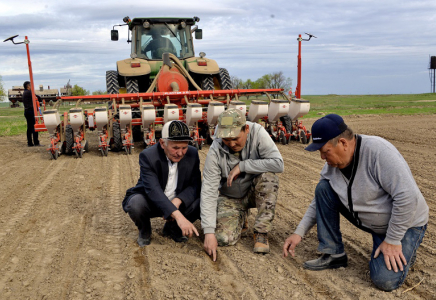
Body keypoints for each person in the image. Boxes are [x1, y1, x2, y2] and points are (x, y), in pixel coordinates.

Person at [282, 114, 429, 291]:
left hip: (406, 223)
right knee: (324, 188)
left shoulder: (379, 153)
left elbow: (408, 198)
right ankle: (333, 253)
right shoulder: (332, 166)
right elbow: (320, 200)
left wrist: (392, 239)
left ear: (343, 143)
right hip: (372, 220)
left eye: (325, 151)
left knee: (385, 280)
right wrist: (299, 232)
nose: (322, 157)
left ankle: (398, 245)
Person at [201, 109, 284, 261]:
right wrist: (208, 232)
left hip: (254, 192)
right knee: (222, 238)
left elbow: (278, 164)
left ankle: (261, 232)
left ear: (246, 129)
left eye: (235, 138)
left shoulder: (258, 133)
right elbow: (208, 190)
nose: (231, 144)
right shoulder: (215, 150)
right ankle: (240, 216)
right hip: (230, 196)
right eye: (226, 140)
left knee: (268, 178)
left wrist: (243, 166)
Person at [122, 120, 201, 247]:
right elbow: (153, 191)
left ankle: (173, 229)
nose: (180, 153)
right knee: (135, 204)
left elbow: (195, 185)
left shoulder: (192, 154)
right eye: (175, 148)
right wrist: (179, 216)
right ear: (162, 143)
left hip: (177, 200)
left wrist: (177, 201)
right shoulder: (148, 156)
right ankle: (145, 231)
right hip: (152, 201)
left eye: (184, 147)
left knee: (201, 200)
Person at [22, 81, 43, 147]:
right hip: (31, 111)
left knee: (30, 127)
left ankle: (30, 143)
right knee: (34, 126)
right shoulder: (29, 93)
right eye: (31, 85)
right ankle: (36, 142)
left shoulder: (25, 93)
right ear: (28, 86)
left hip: (27, 111)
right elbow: (38, 97)